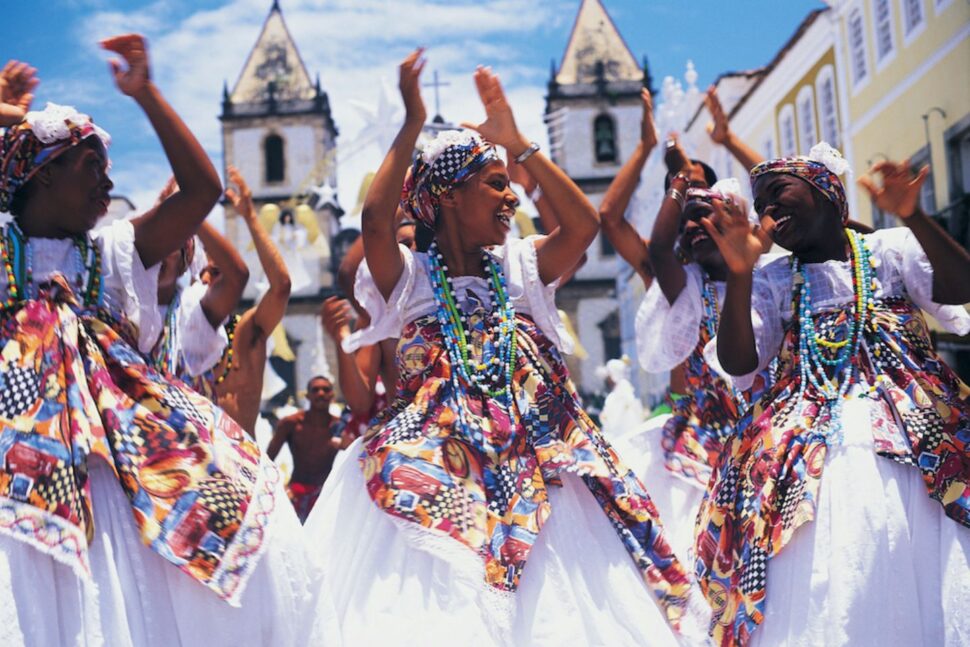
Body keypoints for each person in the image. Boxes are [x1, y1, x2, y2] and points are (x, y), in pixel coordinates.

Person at [305, 49, 707, 646]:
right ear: (446, 196)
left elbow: (583, 227)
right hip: (439, 471)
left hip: (538, 463)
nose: (511, 198)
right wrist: (412, 120)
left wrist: (517, 146)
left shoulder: (518, 269)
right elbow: (373, 221)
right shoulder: (411, 282)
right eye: (495, 186)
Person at [0, 37, 320, 646]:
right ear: (40, 176)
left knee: (124, 596)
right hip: (16, 450)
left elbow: (202, 192)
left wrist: (146, 92)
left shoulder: (114, 253)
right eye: (89, 164)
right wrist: (14, 117)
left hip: (111, 458)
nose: (107, 180)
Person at [696, 143, 970, 646]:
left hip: (920, 434)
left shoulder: (890, 250)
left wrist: (914, 216)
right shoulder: (773, 281)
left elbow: (961, 285)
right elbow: (740, 362)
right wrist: (739, 276)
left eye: (778, 193)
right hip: (812, 438)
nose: (768, 212)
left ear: (827, 192)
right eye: (760, 205)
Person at [152, 175, 249, 400]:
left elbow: (237, 276)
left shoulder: (192, 308)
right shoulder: (119, 303)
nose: (158, 254)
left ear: (184, 261)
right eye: (153, 242)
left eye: (170, 246)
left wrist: (189, 210)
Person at [213, 165, 292, 436]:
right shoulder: (175, 339)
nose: (211, 281)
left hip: (243, 467)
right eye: (204, 274)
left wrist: (250, 218)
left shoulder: (243, 334)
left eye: (218, 274)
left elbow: (281, 287)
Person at [268, 375, 340, 523]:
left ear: (332, 395)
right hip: (296, 490)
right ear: (307, 395)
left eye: (326, 390)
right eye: (315, 390)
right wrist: (276, 492)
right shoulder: (290, 424)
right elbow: (268, 459)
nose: (321, 393)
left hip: (323, 494)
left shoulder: (339, 427)